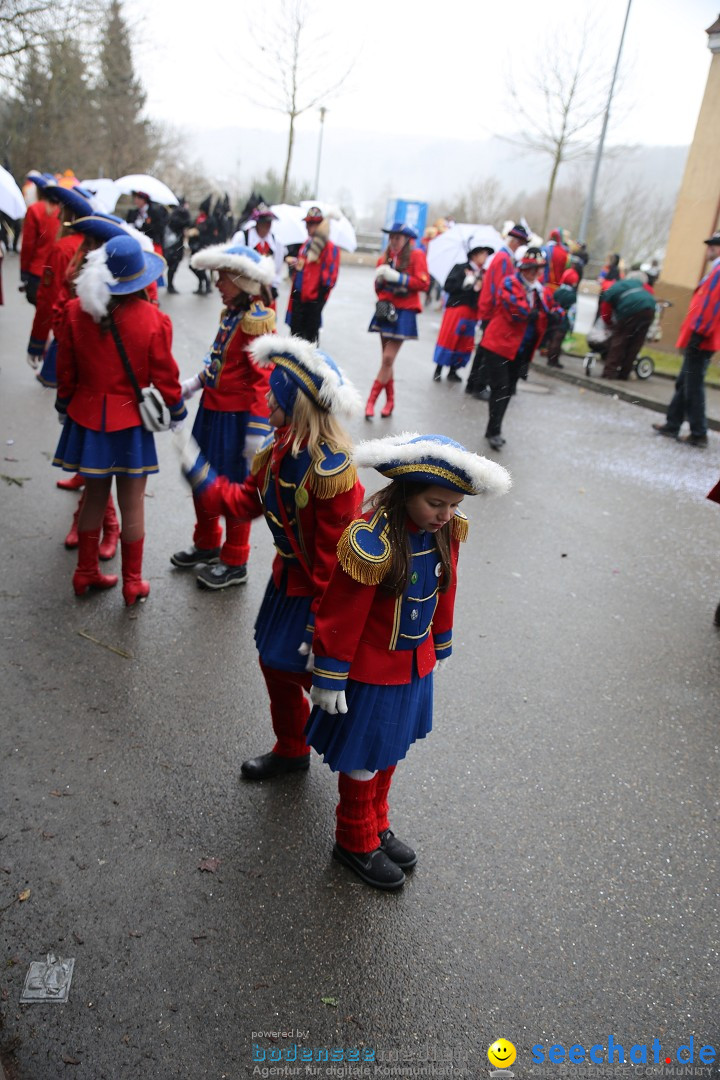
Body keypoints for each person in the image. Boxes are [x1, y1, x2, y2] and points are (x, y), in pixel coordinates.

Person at [304, 432, 511, 890]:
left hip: (412, 665)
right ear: (405, 492)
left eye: (454, 505)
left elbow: (446, 589)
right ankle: (353, 838)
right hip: (371, 672)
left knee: (391, 747)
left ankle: (376, 823)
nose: (447, 514)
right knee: (366, 754)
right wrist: (331, 675)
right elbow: (342, 610)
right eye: (437, 503)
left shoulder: (445, 533)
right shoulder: (371, 539)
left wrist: (439, 643)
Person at [177, 334, 363, 780]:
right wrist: (197, 468)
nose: (264, 397)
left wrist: (323, 629)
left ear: (294, 404)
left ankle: (356, 767)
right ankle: (291, 748)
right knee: (274, 664)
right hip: (286, 583)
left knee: (319, 681)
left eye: (273, 393)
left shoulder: (330, 470)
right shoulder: (279, 448)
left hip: (316, 594)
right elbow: (244, 503)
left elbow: (333, 562)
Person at [53, 234, 187, 604]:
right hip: (130, 424)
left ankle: (84, 573)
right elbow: (166, 378)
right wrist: (176, 412)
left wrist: (65, 405)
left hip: (88, 418)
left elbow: (66, 369)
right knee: (132, 505)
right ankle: (132, 583)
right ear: (141, 279)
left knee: (94, 498)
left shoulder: (77, 312)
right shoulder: (153, 320)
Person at [171, 243, 276, 589]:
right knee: (203, 479)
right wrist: (193, 384)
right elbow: (219, 364)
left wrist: (256, 433)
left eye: (223, 277)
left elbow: (263, 381)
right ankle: (206, 543)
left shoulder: (256, 321)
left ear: (242, 280)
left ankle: (235, 559)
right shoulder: (231, 313)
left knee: (232, 487)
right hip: (212, 412)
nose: (217, 282)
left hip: (236, 420)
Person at [652, 231, 720, 449]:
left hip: (702, 337)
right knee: (686, 382)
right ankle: (673, 423)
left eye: (713, 245)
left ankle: (698, 432)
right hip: (702, 335)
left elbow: (711, 306)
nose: (709, 248)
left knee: (693, 385)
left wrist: (699, 332)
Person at [480, 247, 549, 450]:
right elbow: (516, 311)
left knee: (509, 390)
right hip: (499, 345)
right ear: (522, 268)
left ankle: (494, 427)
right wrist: (533, 313)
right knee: (500, 388)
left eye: (537, 269)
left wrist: (552, 314)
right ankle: (494, 431)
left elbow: (552, 310)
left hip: (521, 349)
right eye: (530, 269)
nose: (533, 273)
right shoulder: (510, 282)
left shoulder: (539, 290)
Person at [365, 222, 430, 420]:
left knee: (387, 359)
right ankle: (390, 401)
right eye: (391, 237)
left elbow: (424, 283)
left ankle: (371, 401)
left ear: (406, 239)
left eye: (397, 237)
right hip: (386, 311)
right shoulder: (384, 258)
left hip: (404, 312)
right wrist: (380, 280)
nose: (393, 241)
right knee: (387, 360)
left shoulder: (417, 256)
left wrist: (399, 278)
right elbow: (379, 291)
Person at [27, 184, 94, 375]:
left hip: (65, 333)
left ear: (69, 216)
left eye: (62, 211)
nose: (57, 216)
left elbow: (48, 299)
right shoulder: (91, 246)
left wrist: (37, 342)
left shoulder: (62, 248)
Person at [465, 223, 530, 399]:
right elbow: (499, 288)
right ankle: (478, 385)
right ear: (516, 242)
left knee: (484, 349)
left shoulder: (502, 257)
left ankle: (473, 384)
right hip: (492, 311)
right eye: (522, 243)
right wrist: (496, 312)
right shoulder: (504, 259)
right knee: (488, 350)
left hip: (489, 309)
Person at [432, 244, 494, 383]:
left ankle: (454, 369)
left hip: (472, 312)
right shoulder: (460, 268)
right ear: (474, 255)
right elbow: (448, 286)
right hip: (457, 309)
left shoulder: (484, 273)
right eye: (483, 253)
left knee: (464, 342)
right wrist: (464, 284)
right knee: (449, 339)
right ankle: (439, 369)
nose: (485, 257)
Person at [285, 206, 340, 343]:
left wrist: (318, 301)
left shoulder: (329, 247)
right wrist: (295, 264)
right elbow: (304, 266)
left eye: (312, 223)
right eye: (308, 223)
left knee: (308, 341)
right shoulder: (306, 244)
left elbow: (330, 279)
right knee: (295, 338)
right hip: (298, 297)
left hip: (313, 300)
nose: (308, 227)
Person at [599, 270, 656, 380]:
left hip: (630, 309)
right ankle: (624, 374)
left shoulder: (616, 286)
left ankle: (609, 373)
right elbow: (650, 294)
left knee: (619, 341)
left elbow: (605, 309)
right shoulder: (641, 285)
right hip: (649, 309)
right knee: (635, 343)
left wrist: (609, 323)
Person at [20, 172, 60, 308]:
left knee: (41, 317)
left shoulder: (34, 210)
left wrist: (24, 271)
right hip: (57, 272)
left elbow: (28, 245)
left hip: (37, 271)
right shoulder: (61, 210)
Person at [235, 204, 286, 302]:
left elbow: (277, 269)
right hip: (245, 291)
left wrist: (274, 287)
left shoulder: (277, 242)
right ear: (257, 222)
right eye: (264, 222)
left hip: (267, 293)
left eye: (269, 222)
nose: (267, 225)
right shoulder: (242, 238)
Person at [544, 267, 578, 369]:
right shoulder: (572, 296)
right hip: (564, 320)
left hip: (554, 318)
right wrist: (572, 325)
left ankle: (550, 357)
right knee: (558, 341)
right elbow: (573, 311)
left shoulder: (557, 291)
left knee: (552, 339)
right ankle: (553, 360)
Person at [164, 198, 191, 294]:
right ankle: (170, 285)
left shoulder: (174, 214)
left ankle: (170, 285)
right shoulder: (179, 214)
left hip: (174, 245)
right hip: (174, 245)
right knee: (172, 265)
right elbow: (187, 223)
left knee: (172, 265)